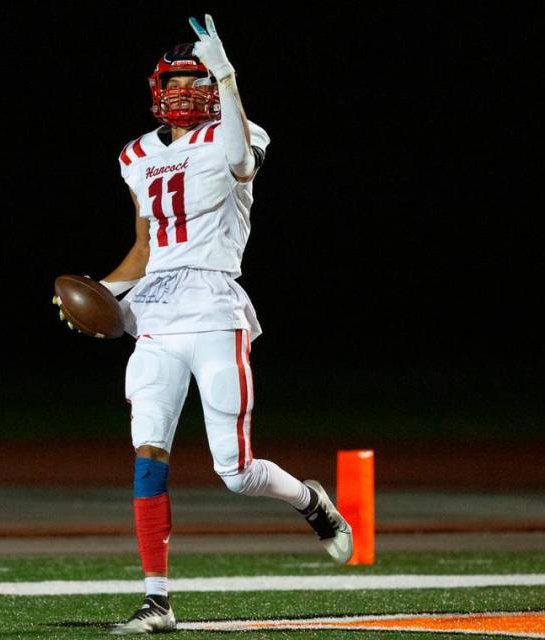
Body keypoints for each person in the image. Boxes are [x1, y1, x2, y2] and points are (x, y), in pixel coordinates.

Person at [53, 14, 353, 635]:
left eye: (200, 82)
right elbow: (144, 244)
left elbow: (242, 162)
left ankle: (312, 502)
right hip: (155, 316)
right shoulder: (134, 154)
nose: (187, 93)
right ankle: (157, 599)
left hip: (215, 307)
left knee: (234, 470)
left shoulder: (237, 133)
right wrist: (100, 293)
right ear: (155, 88)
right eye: (177, 82)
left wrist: (230, 75)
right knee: (147, 453)